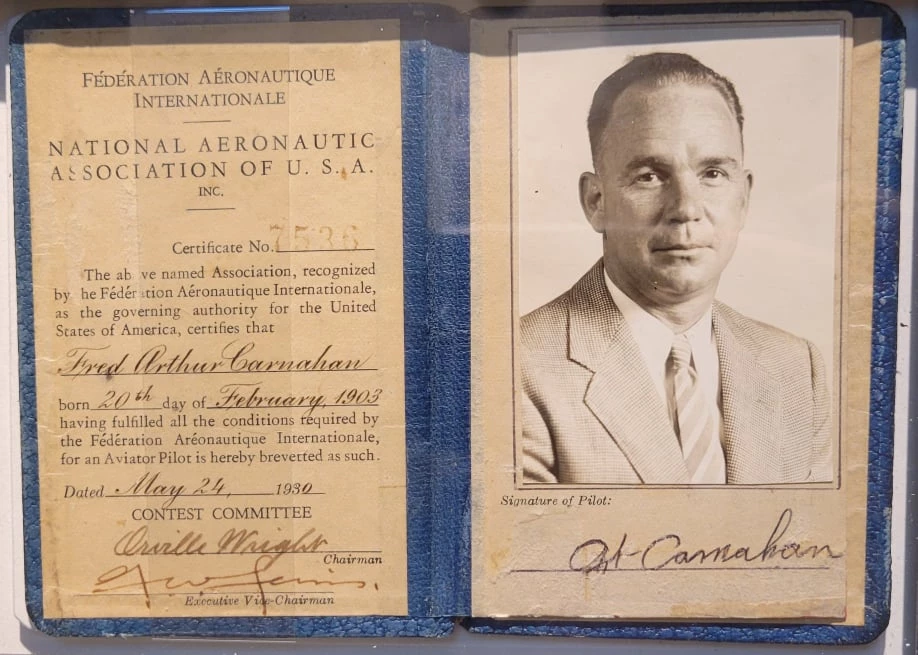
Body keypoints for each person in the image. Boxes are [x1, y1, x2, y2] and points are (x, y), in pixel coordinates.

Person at [520, 52, 833, 485]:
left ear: (742, 199)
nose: (686, 209)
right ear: (596, 202)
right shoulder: (516, 371)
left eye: (712, 173)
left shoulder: (798, 369)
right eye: (649, 175)